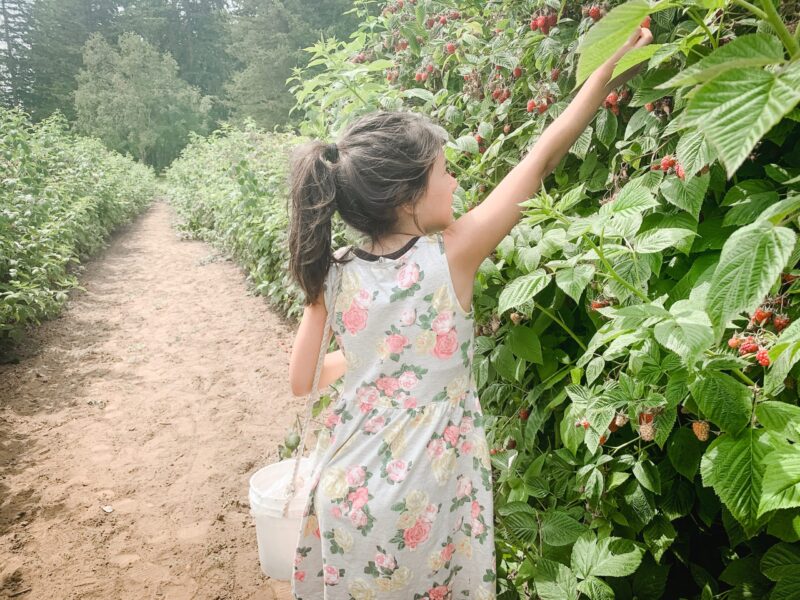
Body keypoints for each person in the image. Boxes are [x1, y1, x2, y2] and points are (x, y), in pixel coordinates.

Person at [285, 23, 653, 599]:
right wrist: (608, 69)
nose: (454, 180)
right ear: (408, 196)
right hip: (427, 499)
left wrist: (371, 367)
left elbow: (301, 380)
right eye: (443, 170)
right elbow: (544, 155)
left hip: (348, 491)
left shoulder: (332, 273)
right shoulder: (451, 256)